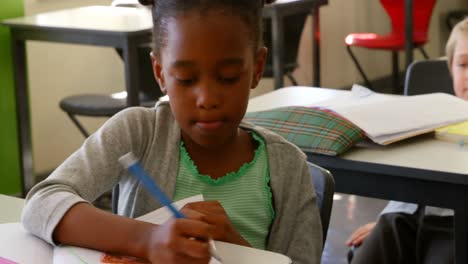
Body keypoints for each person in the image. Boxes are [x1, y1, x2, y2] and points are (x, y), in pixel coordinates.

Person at [21, 0, 323, 263]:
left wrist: (237, 250)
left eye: (228, 77)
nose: (206, 98)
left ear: (257, 68)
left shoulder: (288, 168)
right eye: (186, 79)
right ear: (160, 73)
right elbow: (42, 202)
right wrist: (148, 240)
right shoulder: (137, 133)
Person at [346, 17, 468, 264]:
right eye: (464, 64)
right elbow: (413, 177)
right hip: (407, 216)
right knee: (371, 252)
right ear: (450, 69)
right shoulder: (432, 118)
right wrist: (388, 215)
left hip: (457, 225)